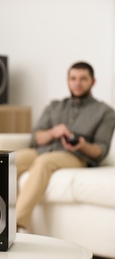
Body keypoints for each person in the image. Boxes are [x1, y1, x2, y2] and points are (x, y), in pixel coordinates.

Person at [16, 61, 115, 230]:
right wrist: (53, 132)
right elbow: (36, 138)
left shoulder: (105, 112)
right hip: (44, 149)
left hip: (76, 156)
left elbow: (101, 150)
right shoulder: (54, 106)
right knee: (10, 160)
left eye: (83, 79)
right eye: (73, 78)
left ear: (93, 82)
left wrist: (82, 145)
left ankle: (15, 224)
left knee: (44, 162)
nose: (77, 83)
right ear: (67, 80)